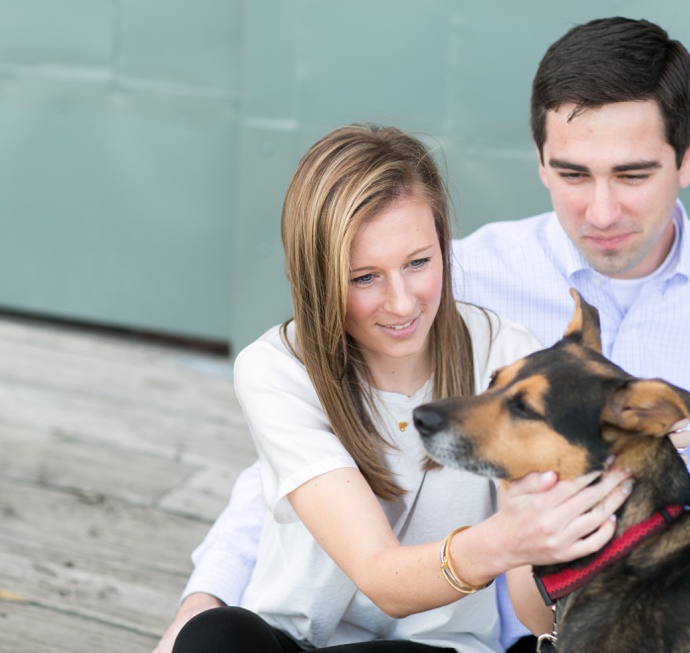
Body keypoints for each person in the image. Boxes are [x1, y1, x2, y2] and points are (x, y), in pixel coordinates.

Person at [156, 15, 690, 651]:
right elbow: (293, 464)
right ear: (541, 164)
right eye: (575, 174)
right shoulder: (446, 283)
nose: (604, 211)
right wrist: (204, 599)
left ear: (687, 157)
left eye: (634, 174)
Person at [168, 124, 643, 653]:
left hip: (441, 649)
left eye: (418, 263)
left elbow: (535, 618)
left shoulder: (505, 357)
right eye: (364, 277)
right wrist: (503, 539)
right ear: (318, 278)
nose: (401, 303)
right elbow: (378, 573)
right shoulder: (277, 368)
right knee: (213, 637)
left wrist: (544, 534)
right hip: (294, 643)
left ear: (444, 246)